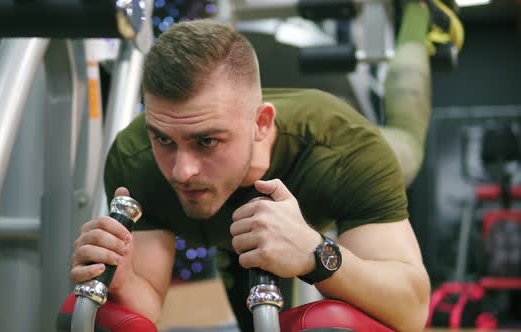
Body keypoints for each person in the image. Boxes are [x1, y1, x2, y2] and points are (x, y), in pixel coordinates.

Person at [70, 1, 463, 331]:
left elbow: (412, 309)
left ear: (261, 124)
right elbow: (148, 304)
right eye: (164, 139)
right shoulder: (136, 159)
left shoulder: (345, 150)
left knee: (407, 137)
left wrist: (316, 253)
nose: (181, 170)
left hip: (361, 143)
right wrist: (122, 280)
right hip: (240, 223)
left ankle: (419, 16)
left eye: (206, 141)